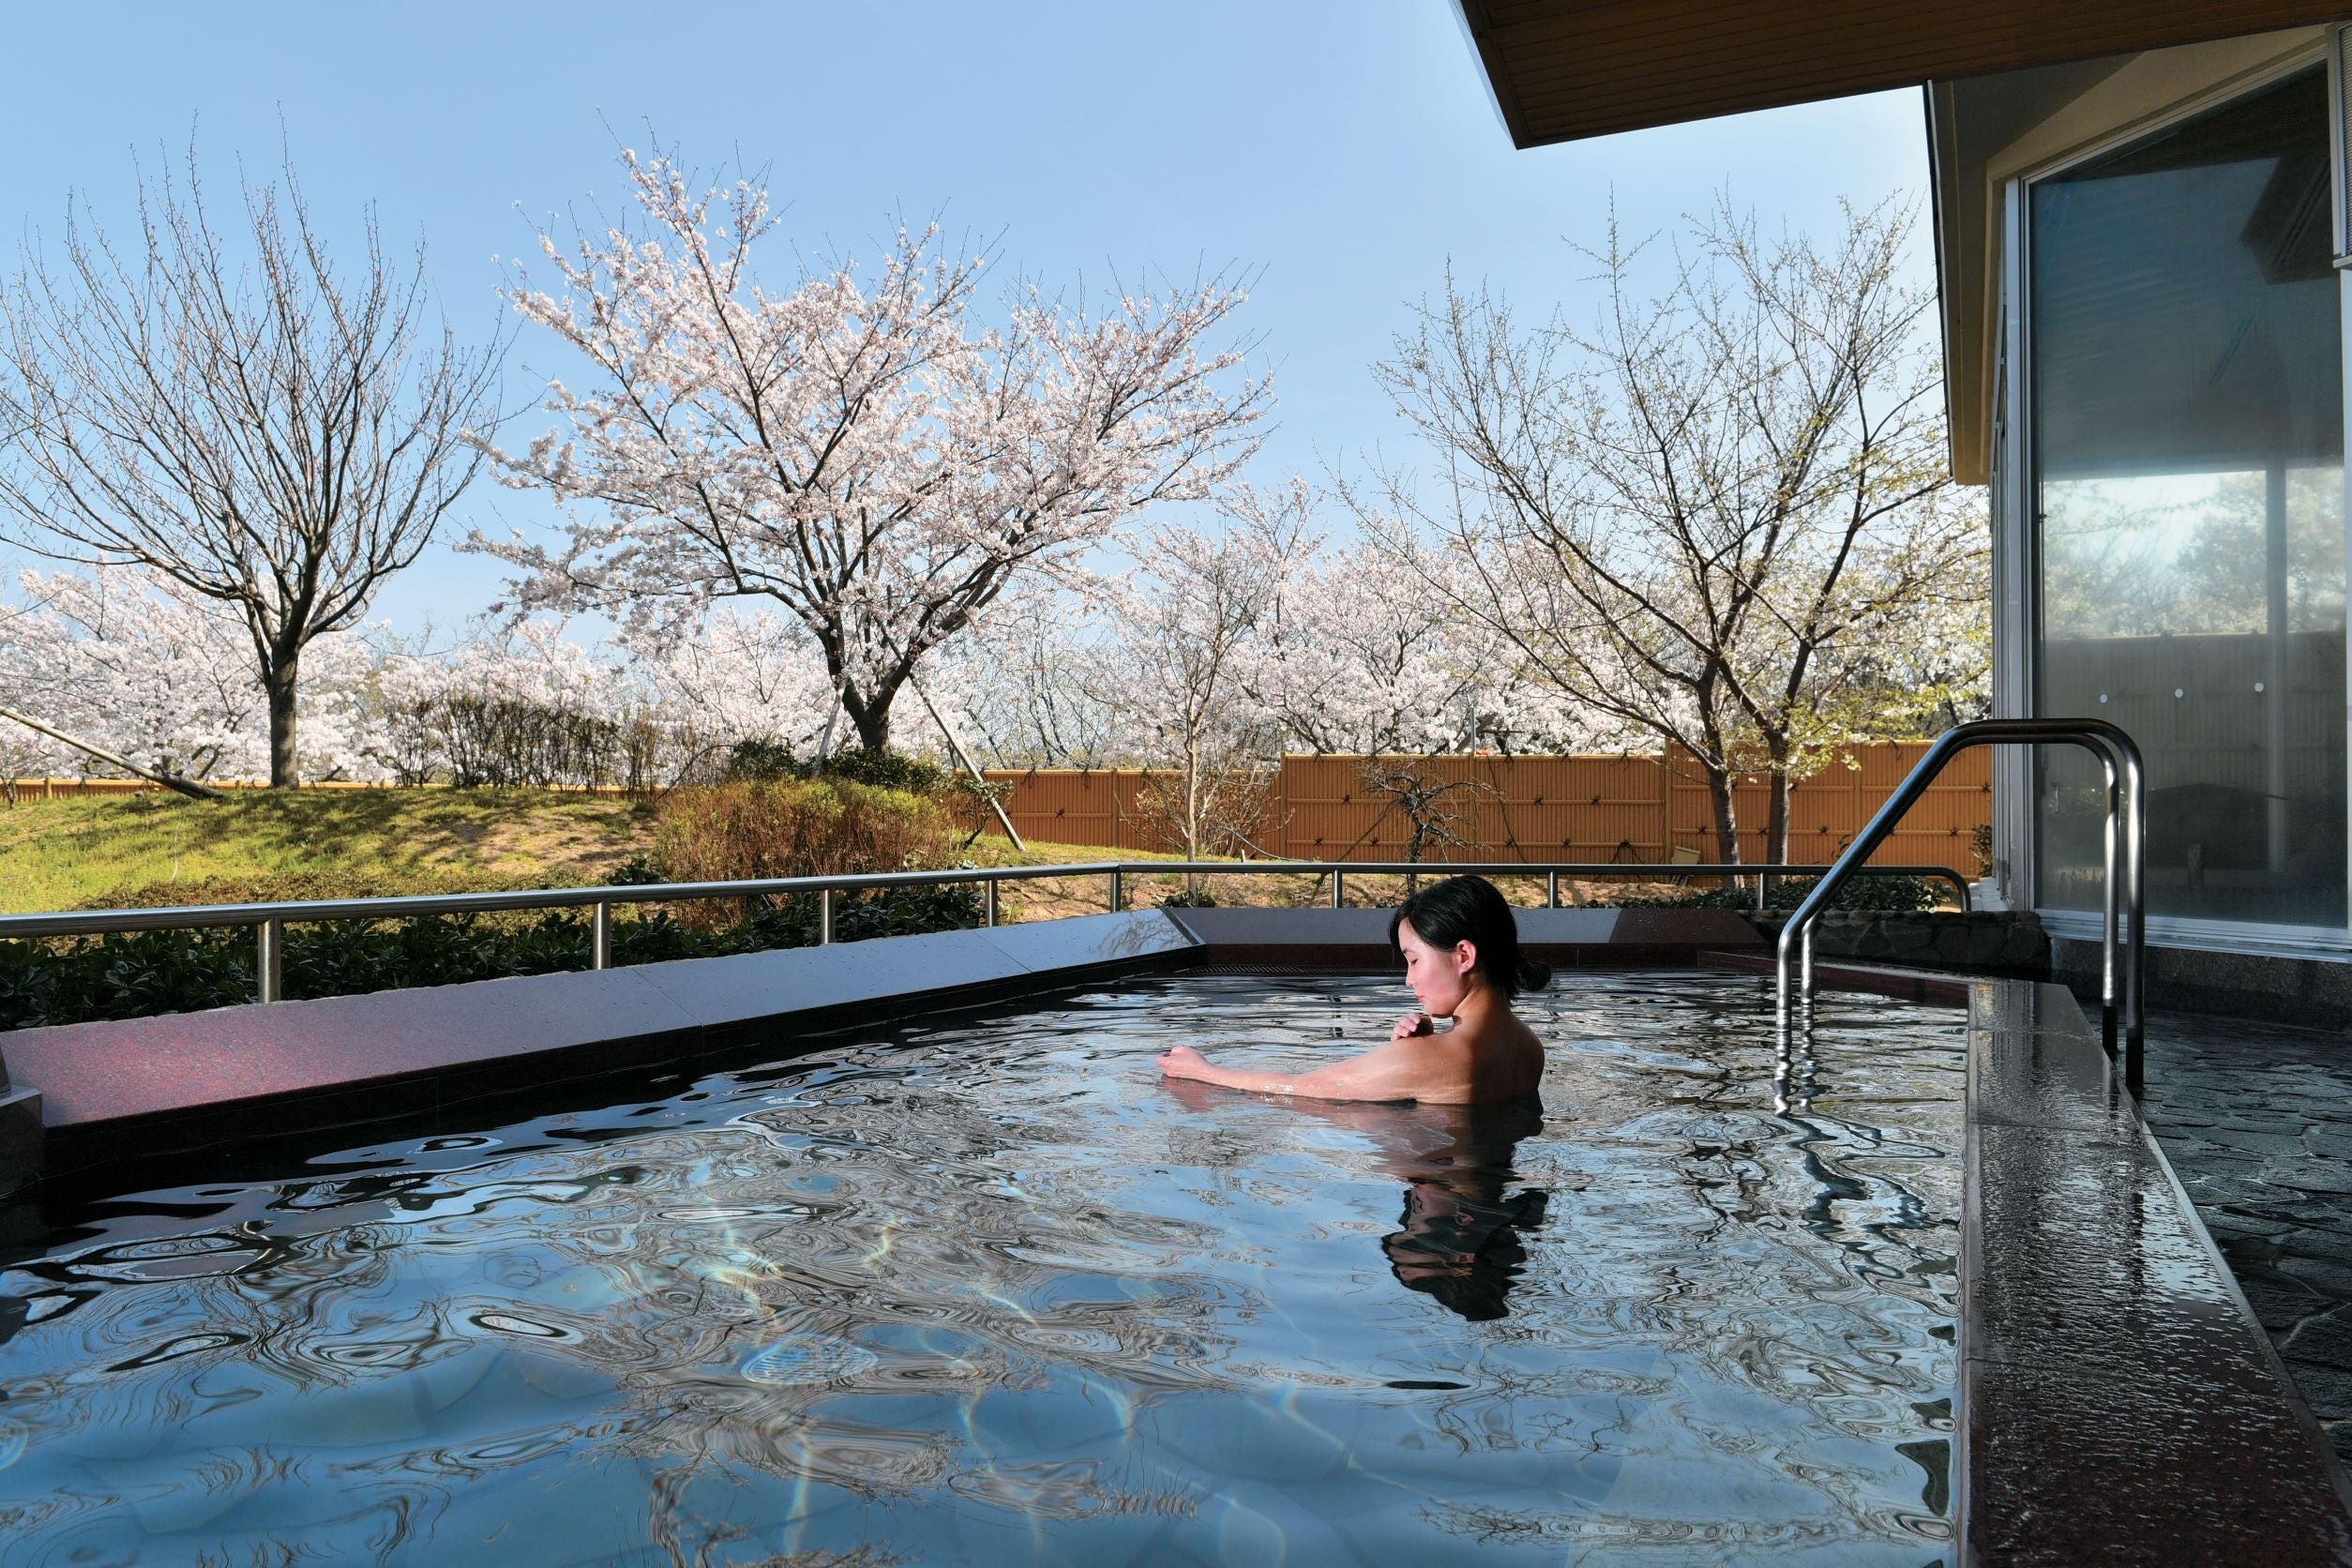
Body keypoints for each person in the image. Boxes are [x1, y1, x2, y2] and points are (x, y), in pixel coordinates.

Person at [1155, 874, 1550, 1105]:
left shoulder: (1443, 1058)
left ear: (1463, 955)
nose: (1408, 980)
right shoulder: (1529, 1047)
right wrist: (1425, 1047)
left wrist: (1204, 1072)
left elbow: (1301, 1089)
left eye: (1413, 960)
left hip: (1448, 1208)